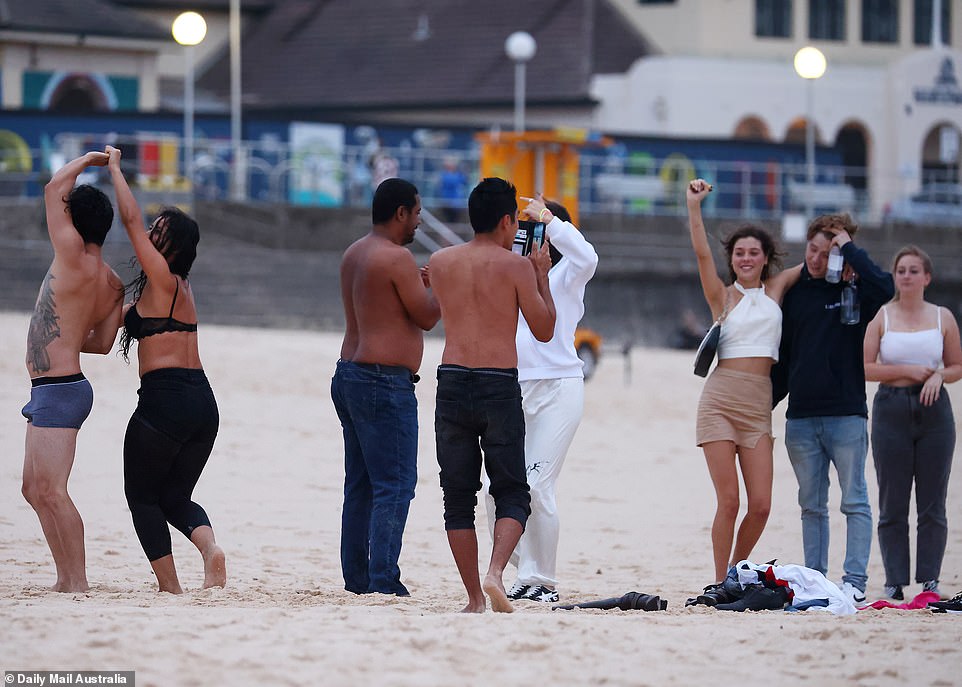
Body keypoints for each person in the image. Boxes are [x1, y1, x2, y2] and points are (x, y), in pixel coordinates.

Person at [429, 177, 556, 613]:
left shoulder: (441, 261)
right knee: (512, 491)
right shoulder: (516, 266)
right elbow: (544, 329)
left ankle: (472, 599)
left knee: (457, 495)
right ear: (507, 221)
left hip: (451, 379)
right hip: (498, 383)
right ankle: (496, 573)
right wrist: (541, 276)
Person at [106, 145, 225, 594]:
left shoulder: (162, 279)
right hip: (203, 403)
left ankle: (171, 588)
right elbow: (117, 321)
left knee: (141, 497)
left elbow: (131, 221)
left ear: (171, 244)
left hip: (166, 401)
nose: (150, 233)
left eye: (160, 230)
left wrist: (116, 168)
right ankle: (211, 549)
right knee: (174, 498)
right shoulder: (180, 289)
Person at [772, 213, 895, 605]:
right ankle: (816, 579)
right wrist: (767, 405)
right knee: (811, 505)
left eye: (827, 253)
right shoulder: (794, 293)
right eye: (813, 249)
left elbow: (886, 286)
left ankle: (854, 580)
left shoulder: (857, 290)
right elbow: (786, 356)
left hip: (846, 414)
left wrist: (849, 249)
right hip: (802, 418)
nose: (817, 259)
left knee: (854, 500)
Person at [481, 195, 598, 604]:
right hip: (514, 388)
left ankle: (541, 581)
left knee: (536, 484)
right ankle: (523, 570)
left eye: (540, 232)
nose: (532, 239)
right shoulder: (509, 276)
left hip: (559, 388)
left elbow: (587, 256)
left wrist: (549, 219)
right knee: (495, 492)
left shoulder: (568, 274)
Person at [686, 179, 801, 589]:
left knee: (763, 505)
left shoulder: (777, 288)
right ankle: (720, 582)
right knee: (729, 501)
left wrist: (841, 241)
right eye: (739, 253)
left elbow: (818, 260)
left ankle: (736, 571)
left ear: (766, 257)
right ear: (732, 259)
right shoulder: (722, 296)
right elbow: (701, 253)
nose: (747, 258)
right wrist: (694, 206)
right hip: (720, 399)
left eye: (754, 252)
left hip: (759, 404)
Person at [330, 177, 440, 596]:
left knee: (360, 483)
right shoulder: (395, 258)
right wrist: (443, 287)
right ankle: (383, 579)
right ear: (400, 213)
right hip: (382, 381)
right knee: (395, 483)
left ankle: (357, 577)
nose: (417, 222)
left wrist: (423, 285)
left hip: (349, 373)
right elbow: (427, 317)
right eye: (415, 213)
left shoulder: (355, 252)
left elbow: (387, 309)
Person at [21, 151, 124, 592]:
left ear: (75, 224)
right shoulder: (113, 281)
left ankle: (76, 581)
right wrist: (65, 333)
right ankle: (65, 577)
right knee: (33, 489)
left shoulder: (70, 252)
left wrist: (88, 159)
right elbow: (101, 344)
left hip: (60, 389)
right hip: (61, 385)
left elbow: (51, 189)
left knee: (53, 490)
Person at [863, 246, 961, 601]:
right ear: (895, 277)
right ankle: (894, 579)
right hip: (891, 408)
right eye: (901, 270)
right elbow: (866, 367)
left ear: (927, 277)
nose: (906, 275)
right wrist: (906, 371)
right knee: (893, 500)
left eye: (914, 270)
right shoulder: (882, 317)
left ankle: (930, 579)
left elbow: (956, 366)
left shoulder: (942, 317)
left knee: (933, 501)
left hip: (935, 412)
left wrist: (938, 376)